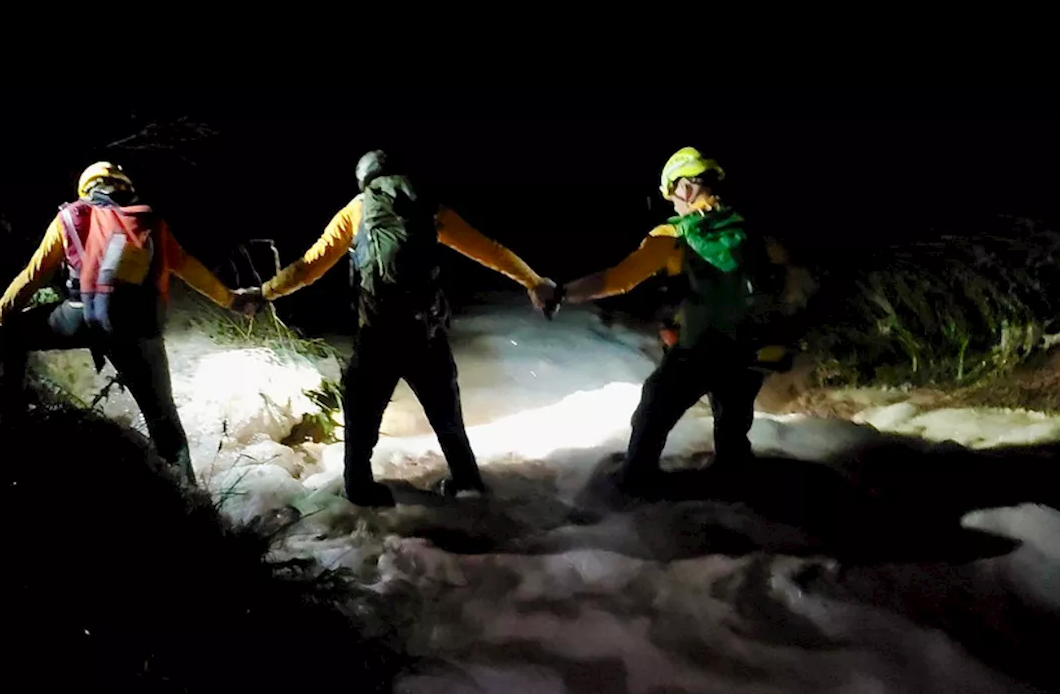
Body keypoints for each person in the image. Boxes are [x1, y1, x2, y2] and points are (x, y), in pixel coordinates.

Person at [243, 150, 557, 507]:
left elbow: (309, 266)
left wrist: (264, 292)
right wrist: (533, 281)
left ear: (364, 180)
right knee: (446, 414)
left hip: (378, 333)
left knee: (361, 415)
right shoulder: (427, 206)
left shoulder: (357, 210)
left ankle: (360, 490)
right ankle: (468, 484)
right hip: (427, 332)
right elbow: (490, 250)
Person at [0, 161, 259, 487]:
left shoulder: (70, 218)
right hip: (137, 331)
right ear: (124, 187)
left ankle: (11, 428)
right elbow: (189, 268)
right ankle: (189, 501)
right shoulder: (148, 221)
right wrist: (232, 300)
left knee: (11, 335)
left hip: (80, 317)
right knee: (163, 421)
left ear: (86, 188)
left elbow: (32, 277)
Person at [560, 147, 815, 495]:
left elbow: (618, 279)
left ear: (686, 188)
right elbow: (782, 284)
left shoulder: (676, 232)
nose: (673, 204)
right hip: (749, 351)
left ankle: (635, 483)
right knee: (732, 423)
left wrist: (562, 293)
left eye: (671, 195)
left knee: (652, 409)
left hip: (700, 351)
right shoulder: (751, 229)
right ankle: (737, 481)